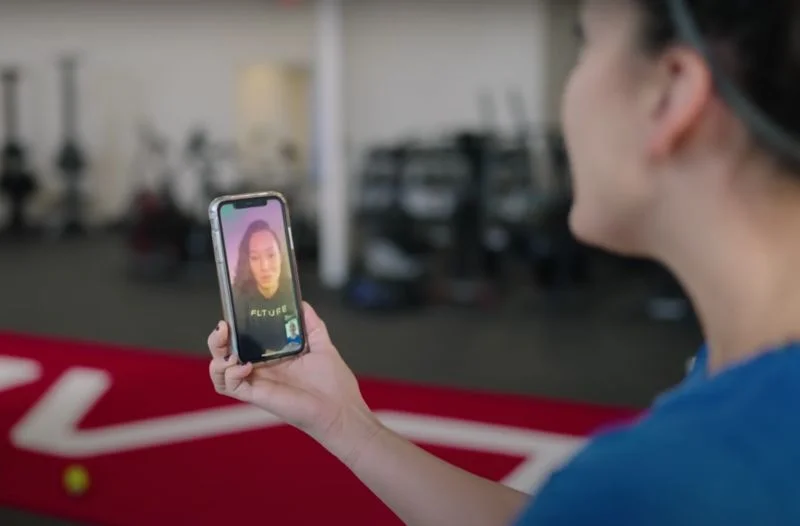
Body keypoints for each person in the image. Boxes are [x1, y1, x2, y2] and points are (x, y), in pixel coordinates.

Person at [208, 0, 800, 524]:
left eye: (585, 44)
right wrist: (346, 423)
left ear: (671, 92)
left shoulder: (663, 482)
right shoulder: (735, 383)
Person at [231, 219, 296, 357]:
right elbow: (241, 343)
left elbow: (294, 339)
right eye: (255, 258)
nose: (264, 267)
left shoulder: (291, 290)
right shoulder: (239, 295)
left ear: (281, 256)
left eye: (271, 255)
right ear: (248, 262)